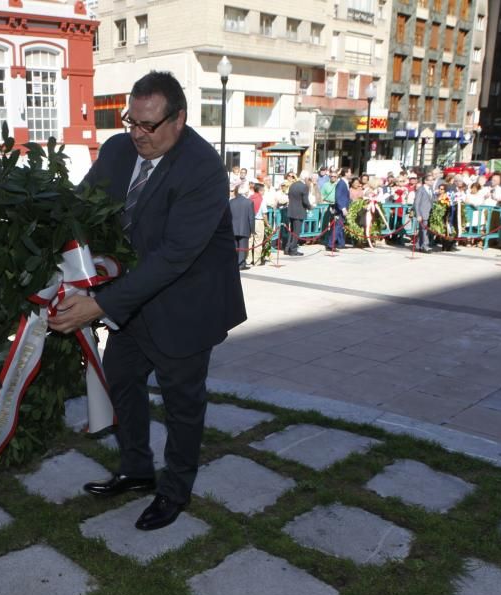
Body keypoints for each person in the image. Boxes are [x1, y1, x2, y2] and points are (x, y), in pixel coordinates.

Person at [48, 71, 246, 531]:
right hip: (132, 300)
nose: (136, 134)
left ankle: (175, 491)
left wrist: (99, 305)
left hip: (185, 307)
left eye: (148, 125)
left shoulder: (202, 169)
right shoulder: (119, 149)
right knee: (121, 380)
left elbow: (174, 257)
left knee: (182, 405)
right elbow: (84, 207)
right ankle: (136, 469)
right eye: (130, 121)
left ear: (179, 119)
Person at [285, 169, 312, 257]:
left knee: (291, 231)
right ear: (306, 178)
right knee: (296, 232)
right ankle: (293, 250)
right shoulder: (304, 187)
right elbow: (305, 201)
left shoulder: (293, 185)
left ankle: (287, 248)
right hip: (299, 212)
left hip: (291, 211)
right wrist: (310, 207)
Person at [229, 187, 254, 270]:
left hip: (233, 228)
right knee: (243, 248)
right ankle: (241, 264)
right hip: (244, 228)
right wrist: (252, 230)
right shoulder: (249, 202)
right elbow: (251, 218)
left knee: (235, 248)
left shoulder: (231, 202)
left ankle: (235, 263)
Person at [326, 168, 348, 251]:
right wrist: (343, 208)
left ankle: (341, 243)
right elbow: (338, 197)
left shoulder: (342, 183)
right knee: (338, 227)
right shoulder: (341, 183)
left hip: (341, 207)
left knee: (340, 226)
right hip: (340, 208)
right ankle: (330, 244)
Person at [413, 175, 434, 253]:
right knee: (424, 230)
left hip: (429, 212)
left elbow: (432, 200)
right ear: (426, 181)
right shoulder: (421, 189)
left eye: (432, 180)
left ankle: (418, 245)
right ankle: (425, 246)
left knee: (423, 230)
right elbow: (417, 203)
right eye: (430, 180)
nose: (432, 182)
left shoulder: (431, 189)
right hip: (422, 213)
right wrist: (418, 214)